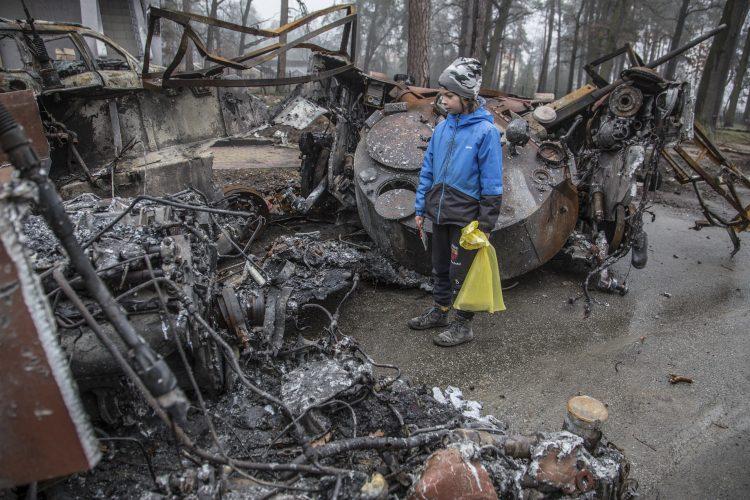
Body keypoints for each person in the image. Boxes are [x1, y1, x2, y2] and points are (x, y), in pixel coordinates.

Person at [409, 57, 503, 347]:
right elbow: (428, 168)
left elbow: (493, 182)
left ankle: (463, 325)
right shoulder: (442, 128)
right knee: (439, 265)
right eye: (443, 94)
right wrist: (420, 206)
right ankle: (440, 310)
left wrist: (486, 224)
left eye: (449, 95)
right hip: (438, 209)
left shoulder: (485, 132)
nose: (443, 100)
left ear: (466, 97)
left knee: (460, 271)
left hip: (466, 216)